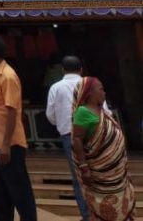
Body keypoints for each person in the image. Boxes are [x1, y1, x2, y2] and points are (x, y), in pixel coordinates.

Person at [0, 33, 37, 221]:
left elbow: (12, 112)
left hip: (9, 145)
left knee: (20, 193)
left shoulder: (8, 76)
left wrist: (5, 144)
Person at [70, 76, 136, 221]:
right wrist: (84, 167)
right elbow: (77, 139)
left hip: (117, 173)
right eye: (101, 89)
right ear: (90, 93)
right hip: (99, 173)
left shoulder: (103, 111)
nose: (104, 92)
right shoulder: (82, 112)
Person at [46, 55, 91, 220]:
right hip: (93, 134)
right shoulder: (90, 85)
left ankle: (86, 215)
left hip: (69, 135)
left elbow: (50, 115)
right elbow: (104, 111)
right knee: (98, 173)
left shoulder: (56, 88)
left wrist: (64, 123)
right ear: (81, 69)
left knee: (79, 175)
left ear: (62, 70)